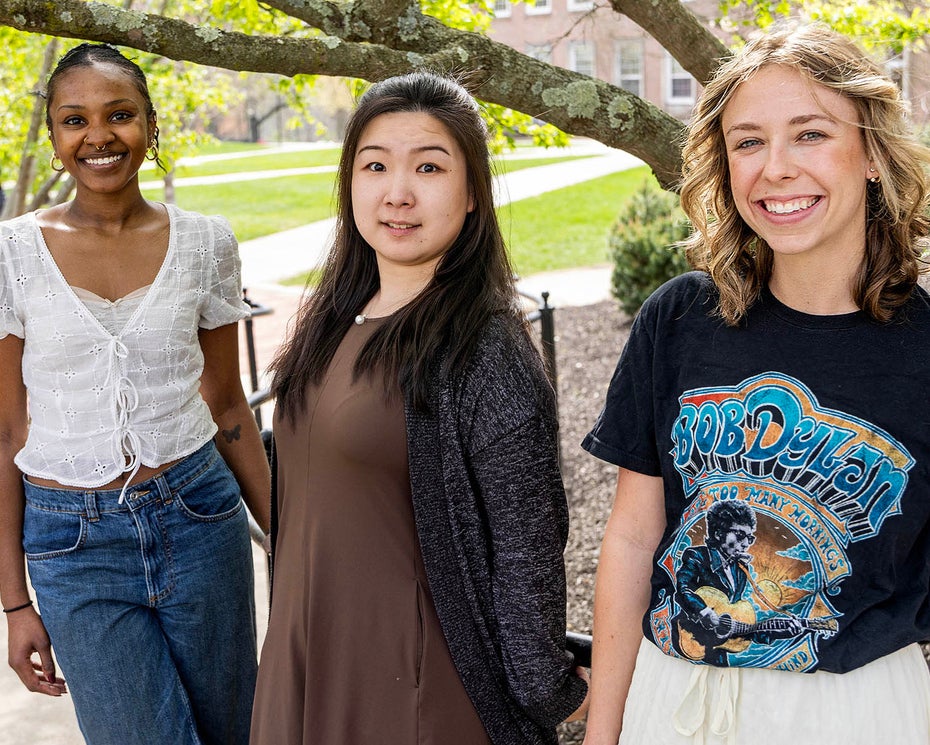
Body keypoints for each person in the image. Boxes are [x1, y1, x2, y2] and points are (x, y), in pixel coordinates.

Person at [581, 23, 930, 745]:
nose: (775, 168)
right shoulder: (678, 319)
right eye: (748, 142)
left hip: (857, 710)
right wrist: (602, 731)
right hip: (676, 698)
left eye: (809, 134)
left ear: (870, 151)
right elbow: (632, 536)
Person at [250, 71, 588, 745]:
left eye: (429, 167)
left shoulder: (484, 348)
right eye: (375, 165)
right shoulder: (335, 320)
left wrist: (552, 694)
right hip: (306, 664)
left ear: (470, 196)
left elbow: (526, 551)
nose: (397, 192)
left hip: (418, 697)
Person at [0, 43, 270, 745]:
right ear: (54, 138)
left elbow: (229, 403)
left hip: (200, 515)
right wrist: (14, 603)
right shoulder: (11, 254)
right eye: (74, 119)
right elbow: (5, 429)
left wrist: (286, 538)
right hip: (71, 542)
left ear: (150, 124)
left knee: (232, 731)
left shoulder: (207, 243)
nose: (98, 135)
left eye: (119, 114)